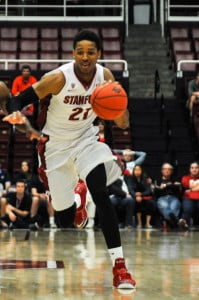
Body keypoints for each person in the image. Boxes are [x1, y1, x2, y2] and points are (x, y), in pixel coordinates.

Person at [3, 30, 136, 289]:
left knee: (100, 190)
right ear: (73, 53)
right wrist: (19, 118)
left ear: (99, 54)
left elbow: (122, 122)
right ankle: (77, 197)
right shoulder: (57, 79)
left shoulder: (105, 78)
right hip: (55, 147)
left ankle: (120, 267)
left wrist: (121, 115)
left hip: (87, 140)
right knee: (64, 217)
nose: (85, 57)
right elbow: (19, 100)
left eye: (91, 52)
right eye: (80, 52)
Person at [153, 163, 182, 229]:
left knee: (174, 206)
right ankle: (175, 223)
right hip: (162, 198)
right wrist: (171, 185)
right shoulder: (157, 180)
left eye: (169, 169)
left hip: (173, 198)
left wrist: (165, 186)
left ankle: (168, 223)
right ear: (162, 171)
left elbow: (178, 189)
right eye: (165, 169)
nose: (167, 171)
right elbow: (156, 191)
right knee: (165, 207)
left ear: (172, 171)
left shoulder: (176, 179)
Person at [180, 161, 199, 230]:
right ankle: (184, 223)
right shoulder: (185, 178)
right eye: (192, 168)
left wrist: (191, 189)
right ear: (190, 169)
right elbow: (185, 185)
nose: (194, 169)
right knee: (188, 208)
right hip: (188, 197)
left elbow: (189, 188)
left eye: (196, 168)